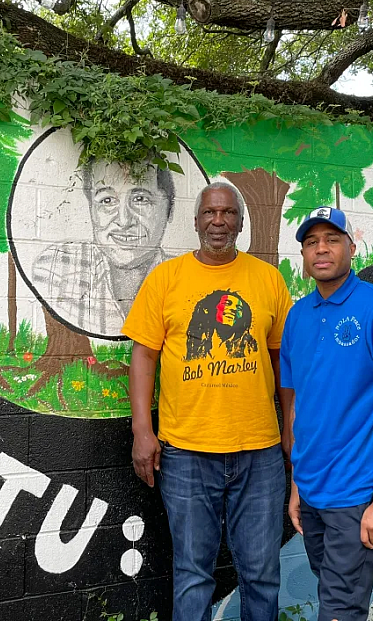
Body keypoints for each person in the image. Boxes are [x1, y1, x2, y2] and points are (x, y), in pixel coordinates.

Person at [122, 181, 293, 621]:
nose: (219, 221)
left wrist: (291, 433)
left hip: (259, 453)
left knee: (261, 572)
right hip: (186, 452)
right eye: (210, 213)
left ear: (240, 221)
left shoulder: (268, 279)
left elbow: (283, 364)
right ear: (196, 221)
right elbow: (143, 356)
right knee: (193, 573)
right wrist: (143, 430)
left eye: (228, 213)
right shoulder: (167, 278)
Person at [280, 206, 373, 621]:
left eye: (332, 239)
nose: (321, 249)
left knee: (339, 610)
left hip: (358, 497)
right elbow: (301, 407)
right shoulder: (297, 317)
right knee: (333, 596)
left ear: (352, 247)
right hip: (311, 493)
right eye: (311, 242)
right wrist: (298, 483)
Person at [32, 157, 175, 336]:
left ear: (170, 208)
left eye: (140, 199)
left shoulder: (186, 280)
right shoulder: (57, 269)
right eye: (107, 200)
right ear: (91, 208)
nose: (124, 221)